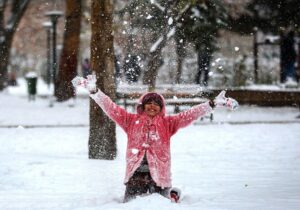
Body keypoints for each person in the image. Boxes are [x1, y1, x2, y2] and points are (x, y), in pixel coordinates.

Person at [72, 75, 239, 203]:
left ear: (161, 108)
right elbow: (110, 107)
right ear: (142, 106)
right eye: (148, 103)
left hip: (159, 174)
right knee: (131, 205)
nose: (152, 106)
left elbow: (189, 114)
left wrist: (211, 104)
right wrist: (95, 91)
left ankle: (172, 193)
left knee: (162, 204)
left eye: (156, 104)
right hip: (135, 174)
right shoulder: (130, 120)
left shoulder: (168, 123)